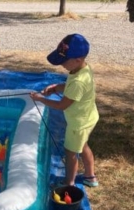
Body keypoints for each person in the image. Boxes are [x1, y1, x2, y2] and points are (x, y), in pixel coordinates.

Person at [30, 33, 99, 187]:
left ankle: (69, 183)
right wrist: (56, 88)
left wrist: (40, 99)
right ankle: (90, 176)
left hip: (78, 124)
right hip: (88, 117)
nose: (62, 65)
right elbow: (69, 87)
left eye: (64, 62)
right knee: (83, 145)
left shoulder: (78, 82)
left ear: (77, 60)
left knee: (71, 153)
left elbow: (62, 105)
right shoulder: (82, 70)